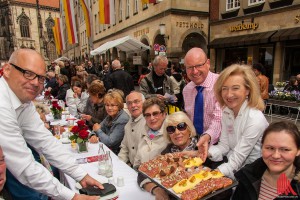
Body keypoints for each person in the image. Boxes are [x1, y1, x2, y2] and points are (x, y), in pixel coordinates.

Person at [0, 49, 103, 199]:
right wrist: (71, 196)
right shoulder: (2, 103)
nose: (36, 82)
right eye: (28, 73)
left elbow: (45, 141)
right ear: (7, 70)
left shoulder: (23, 101)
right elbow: (24, 167)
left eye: (41, 78)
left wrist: (81, 175)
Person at [205, 64, 269, 179]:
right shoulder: (226, 112)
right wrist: (204, 153)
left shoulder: (255, 118)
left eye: (235, 88)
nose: (229, 94)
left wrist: (207, 176)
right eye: (224, 88)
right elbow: (224, 146)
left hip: (252, 176)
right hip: (234, 170)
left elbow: (237, 159)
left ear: (248, 90)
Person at [137, 111, 197, 199]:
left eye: (181, 126)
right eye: (171, 129)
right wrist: (156, 189)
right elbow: (142, 174)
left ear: (189, 128)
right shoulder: (168, 152)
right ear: (168, 134)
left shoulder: (202, 147)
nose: (176, 132)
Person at [233, 121, 300, 200]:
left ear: (298, 151)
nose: (276, 155)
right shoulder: (247, 176)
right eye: (270, 148)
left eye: (285, 149)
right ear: (262, 147)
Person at [183, 47, 222, 160]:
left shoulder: (220, 83)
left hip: (218, 147)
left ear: (208, 63)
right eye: (190, 67)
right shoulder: (187, 90)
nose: (195, 71)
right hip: (196, 146)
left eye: (199, 65)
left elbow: (219, 119)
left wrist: (207, 136)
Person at [89, 90, 129, 155]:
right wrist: (93, 135)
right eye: (107, 105)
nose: (109, 108)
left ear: (119, 106)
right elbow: (97, 127)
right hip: (107, 150)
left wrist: (98, 130)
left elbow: (110, 142)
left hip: (117, 154)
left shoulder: (123, 119)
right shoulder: (110, 116)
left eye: (113, 105)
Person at [118, 91, 146, 166]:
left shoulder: (149, 122)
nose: (133, 105)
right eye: (129, 103)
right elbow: (124, 148)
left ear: (144, 103)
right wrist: (118, 165)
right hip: (131, 167)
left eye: (136, 102)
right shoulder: (128, 125)